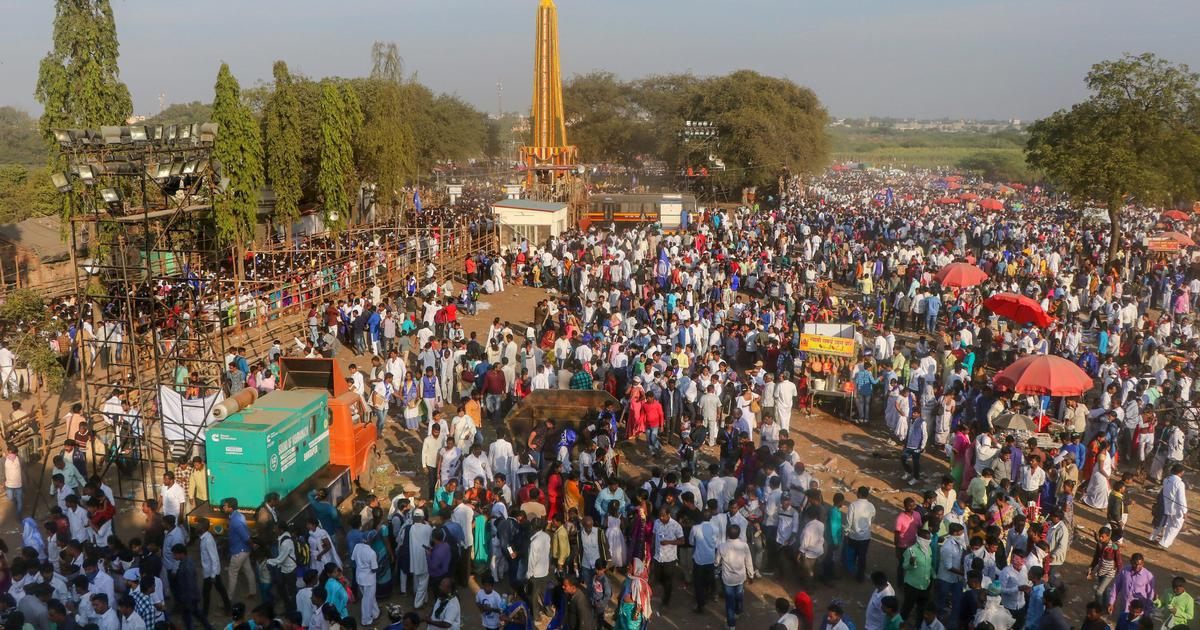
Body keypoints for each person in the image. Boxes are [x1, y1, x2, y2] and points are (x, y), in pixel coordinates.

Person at [715, 523, 753, 629]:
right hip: (740, 577)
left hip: (728, 579)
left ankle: (731, 625)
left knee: (729, 602)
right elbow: (749, 561)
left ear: (727, 534)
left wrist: (716, 564)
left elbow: (717, 562)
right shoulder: (744, 545)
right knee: (739, 595)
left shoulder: (722, 546)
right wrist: (751, 574)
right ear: (739, 534)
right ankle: (738, 612)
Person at [223, 498, 257, 601]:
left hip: (239, 551)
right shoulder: (239, 516)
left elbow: (246, 537)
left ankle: (228, 600)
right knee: (248, 571)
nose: (223, 507)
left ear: (230, 508)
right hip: (244, 550)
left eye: (225, 506)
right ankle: (253, 592)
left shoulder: (235, 521)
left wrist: (253, 545)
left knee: (232, 574)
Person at [1150, 464, 1188, 548]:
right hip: (1176, 509)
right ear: (1181, 473)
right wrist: (1184, 511)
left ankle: (1159, 540)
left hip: (1166, 506)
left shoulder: (1166, 479)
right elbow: (1181, 498)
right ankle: (1164, 543)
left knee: (1169, 524)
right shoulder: (1180, 483)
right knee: (1176, 526)